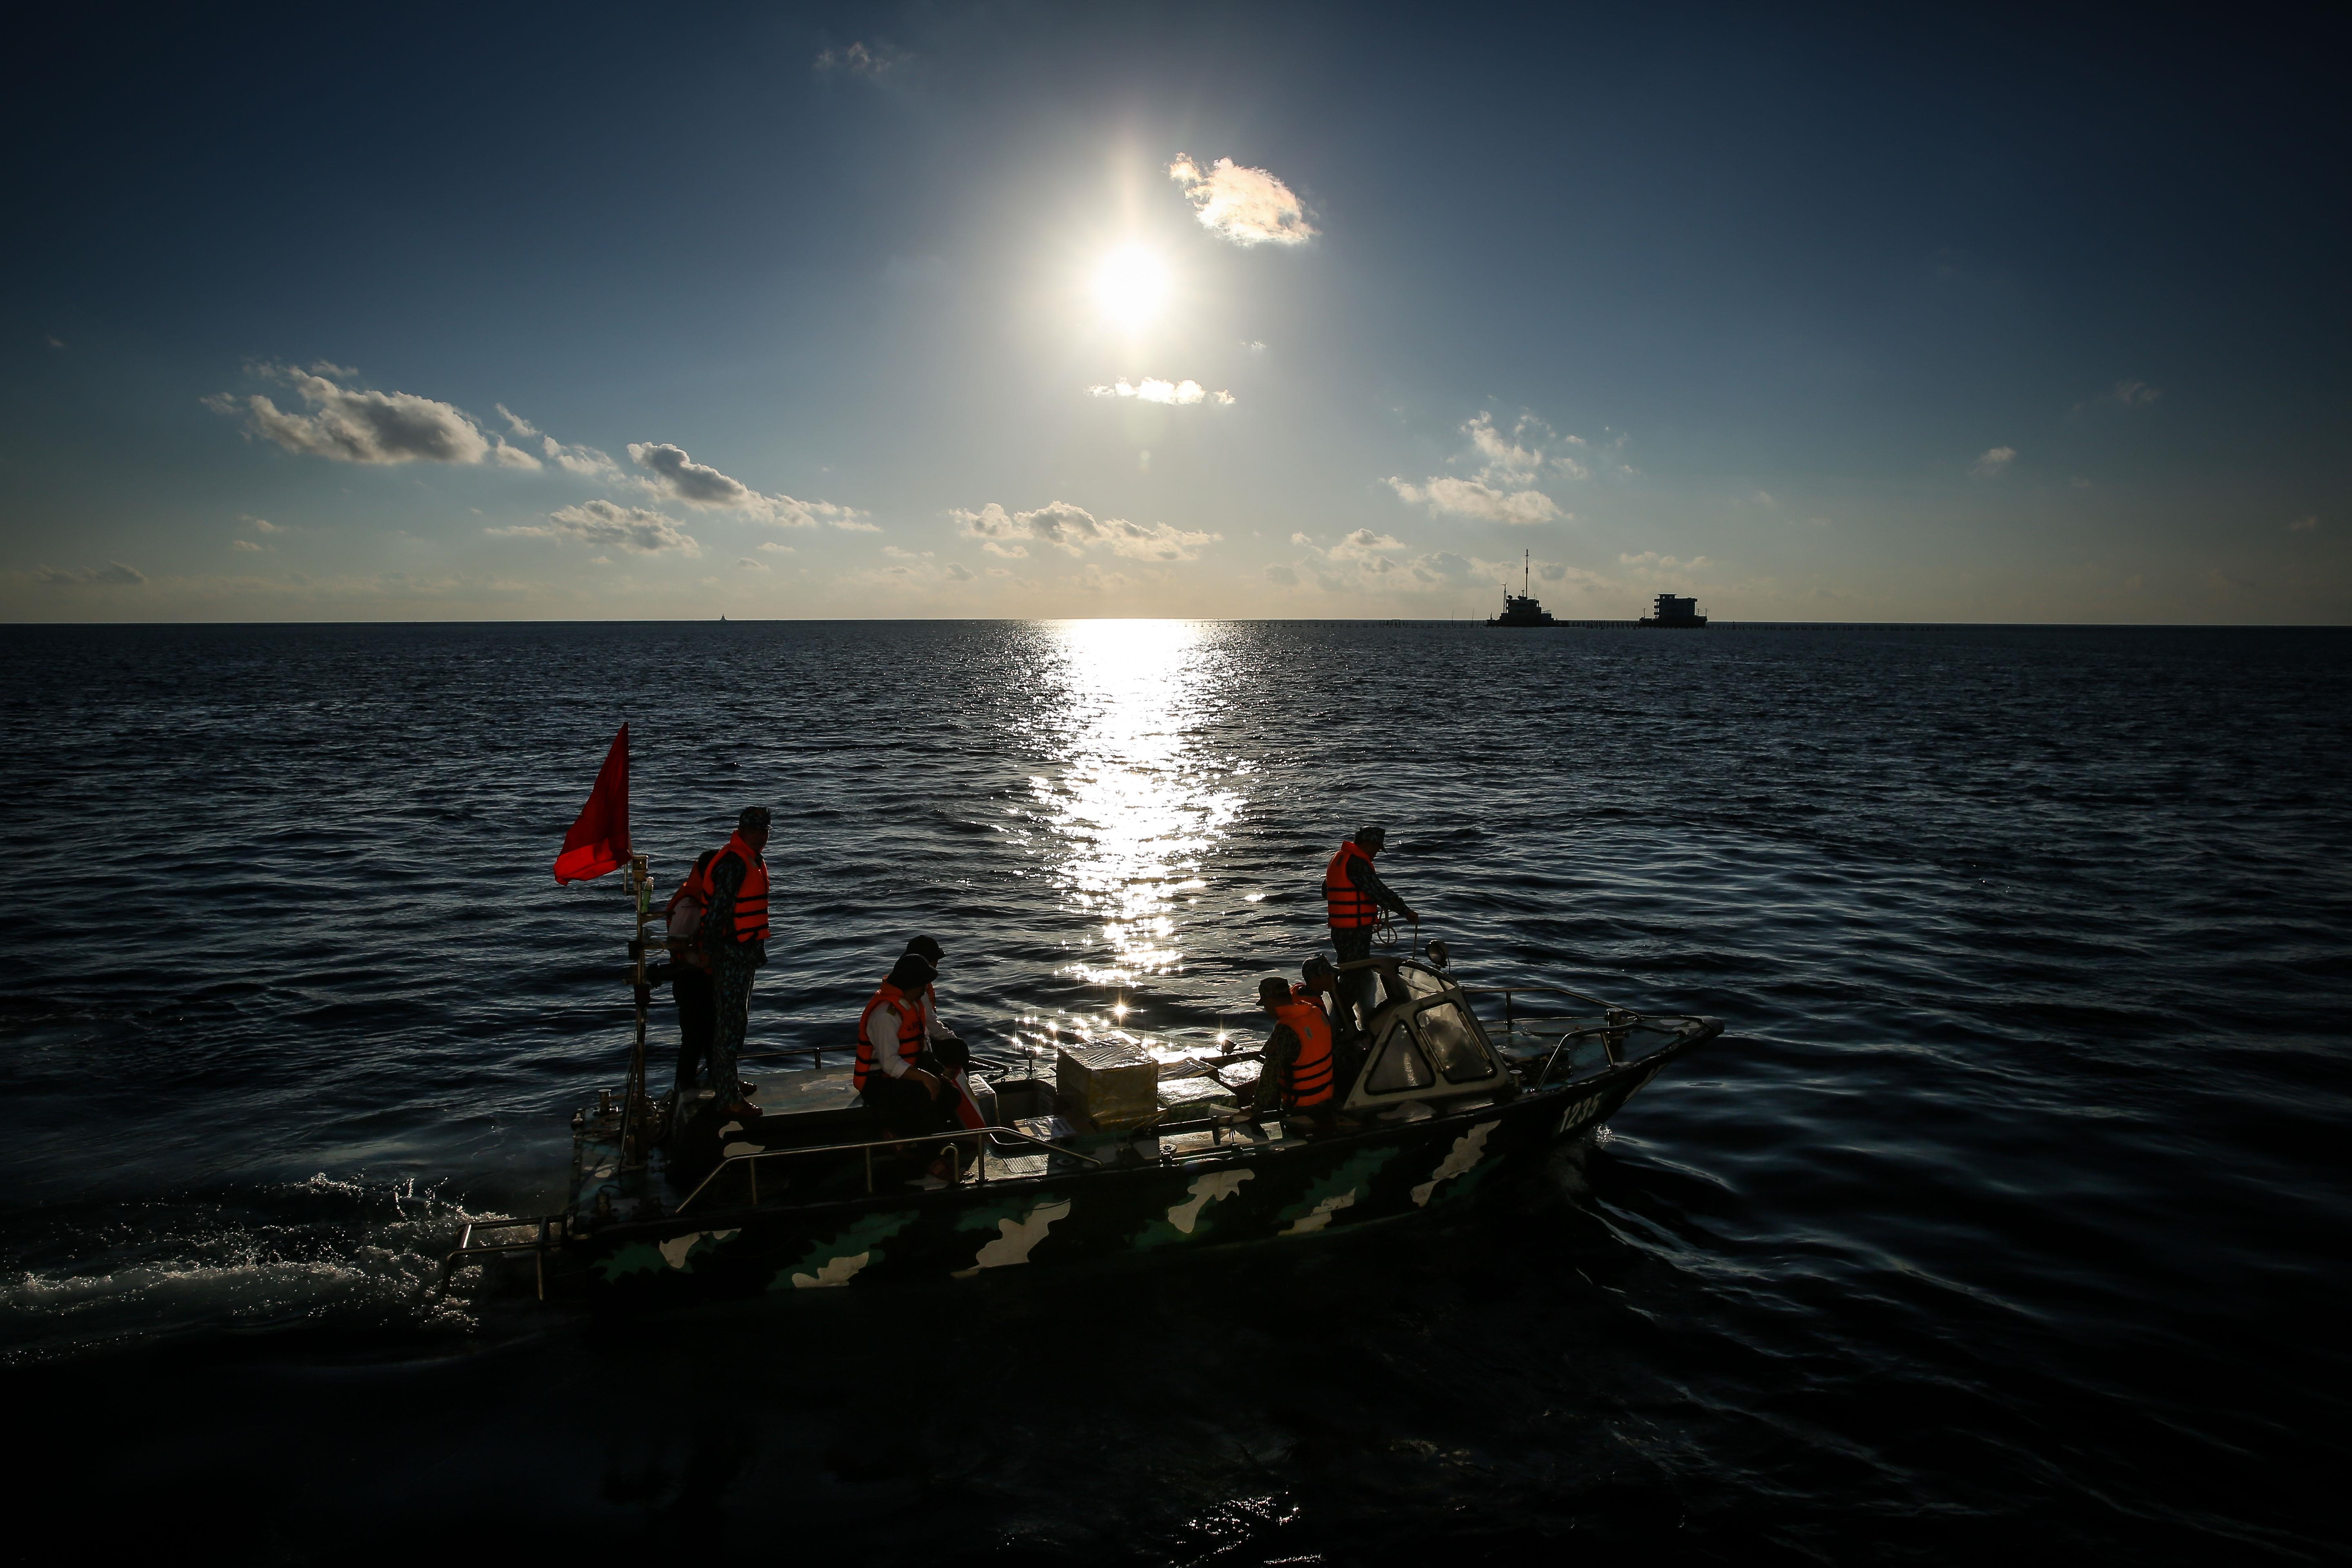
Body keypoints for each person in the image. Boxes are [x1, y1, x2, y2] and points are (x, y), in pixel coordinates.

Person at [855, 952, 964, 1171]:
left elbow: (921, 1048)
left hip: (905, 1076)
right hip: (878, 1083)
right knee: (923, 1097)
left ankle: (913, 1139)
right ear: (918, 984)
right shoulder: (886, 1015)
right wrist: (928, 1080)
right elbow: (889, 1064)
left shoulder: (911, 1006)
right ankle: (929, 1157)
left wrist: (937, 1073)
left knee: (950, 1095)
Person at [700, 806, 771, 1119]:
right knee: (730, 1026)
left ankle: (725, 1081)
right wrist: (712, 955)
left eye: (765, 830)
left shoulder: (751, 860)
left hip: (745, 953)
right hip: (731, 955)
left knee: (736, 1022)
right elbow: (717, 915)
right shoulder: (733, 864)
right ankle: (728, 1097)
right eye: (754, 830)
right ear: (741, 830)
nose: (760, 835)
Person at [1323, 825, 1417, 1029]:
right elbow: (1378, 890)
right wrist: (1406, 911)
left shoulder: (1339, 859)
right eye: (1376, 849)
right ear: (1367, 844)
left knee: (1358, 974)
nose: (1376, 854)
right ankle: (1337, 1027)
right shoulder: (1357, 864)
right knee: (1354, 979)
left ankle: (1366, 1021)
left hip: (1340, 931)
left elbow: (1326, 891)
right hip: (1353, 932)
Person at [1243, 975, 1338, 1135]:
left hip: (1301, 1107)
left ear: (1271, 1002)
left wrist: (1255, 1110)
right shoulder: (1316, 1013)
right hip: (1327, 1099)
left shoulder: (1285, 1030)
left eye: (1264, 1004)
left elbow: (1270, 1075)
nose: (1266, 1009)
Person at [664, 848, 721, 1096]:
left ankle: (720, 1080)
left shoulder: (708, 897)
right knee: (695, 1036)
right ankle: (685, 1085)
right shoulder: (690, 902)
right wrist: (698, 961)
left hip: (709, 977)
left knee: (715, 1034)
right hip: (692, 978)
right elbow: (676, 942)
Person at [1299, 954, 1368, 1104]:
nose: (1333, 979)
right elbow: (1323, 1042)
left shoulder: (1307, 996)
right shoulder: (1311, 1007)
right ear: (1315, 979)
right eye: (1328, 976)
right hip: (1316, 1061)